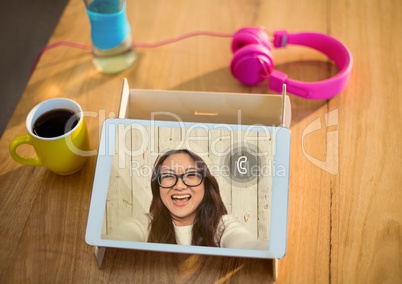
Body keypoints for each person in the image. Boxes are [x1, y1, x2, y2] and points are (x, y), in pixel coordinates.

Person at [105, 149, 267, 250]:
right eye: (168, 176)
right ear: (158, 187)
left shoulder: (223, 226)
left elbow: (247, 245)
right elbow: (116, 242)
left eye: (190, 175)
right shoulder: (144, 224)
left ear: (205, 184)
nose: (180, 186)